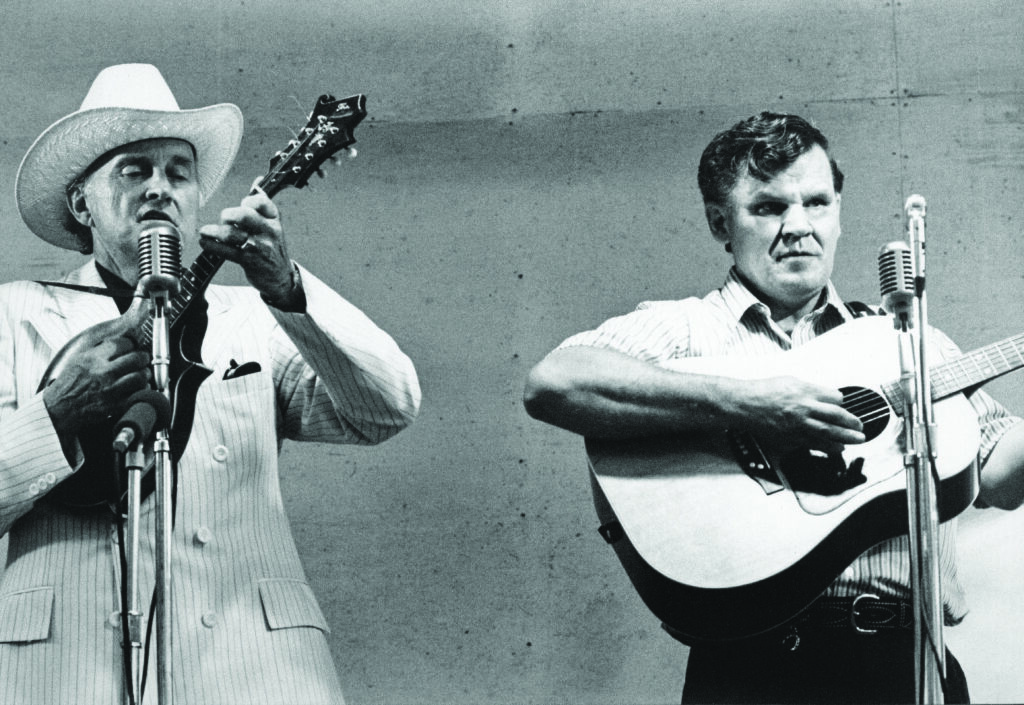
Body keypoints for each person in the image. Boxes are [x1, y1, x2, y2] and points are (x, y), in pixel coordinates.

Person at [523, 111, 1024, 703]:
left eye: (817, 203)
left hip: (907, 664)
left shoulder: (906, 342)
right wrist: (751, 404)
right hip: (752, 670)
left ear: (839, 213)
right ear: (720, 223)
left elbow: (999, 476)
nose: (798, 226)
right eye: (768, 207)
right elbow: (555, 384)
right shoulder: (685, 330)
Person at [0, 64, 421, 704]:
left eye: (178, 172)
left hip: (254, 665)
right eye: (133, 170)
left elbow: (386, 408)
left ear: (198, 197)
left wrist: (289, 289)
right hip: (66, 667)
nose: (159, 189)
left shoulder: (255, 315)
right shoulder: (14, 314)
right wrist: (55, 415)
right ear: (82, 203)